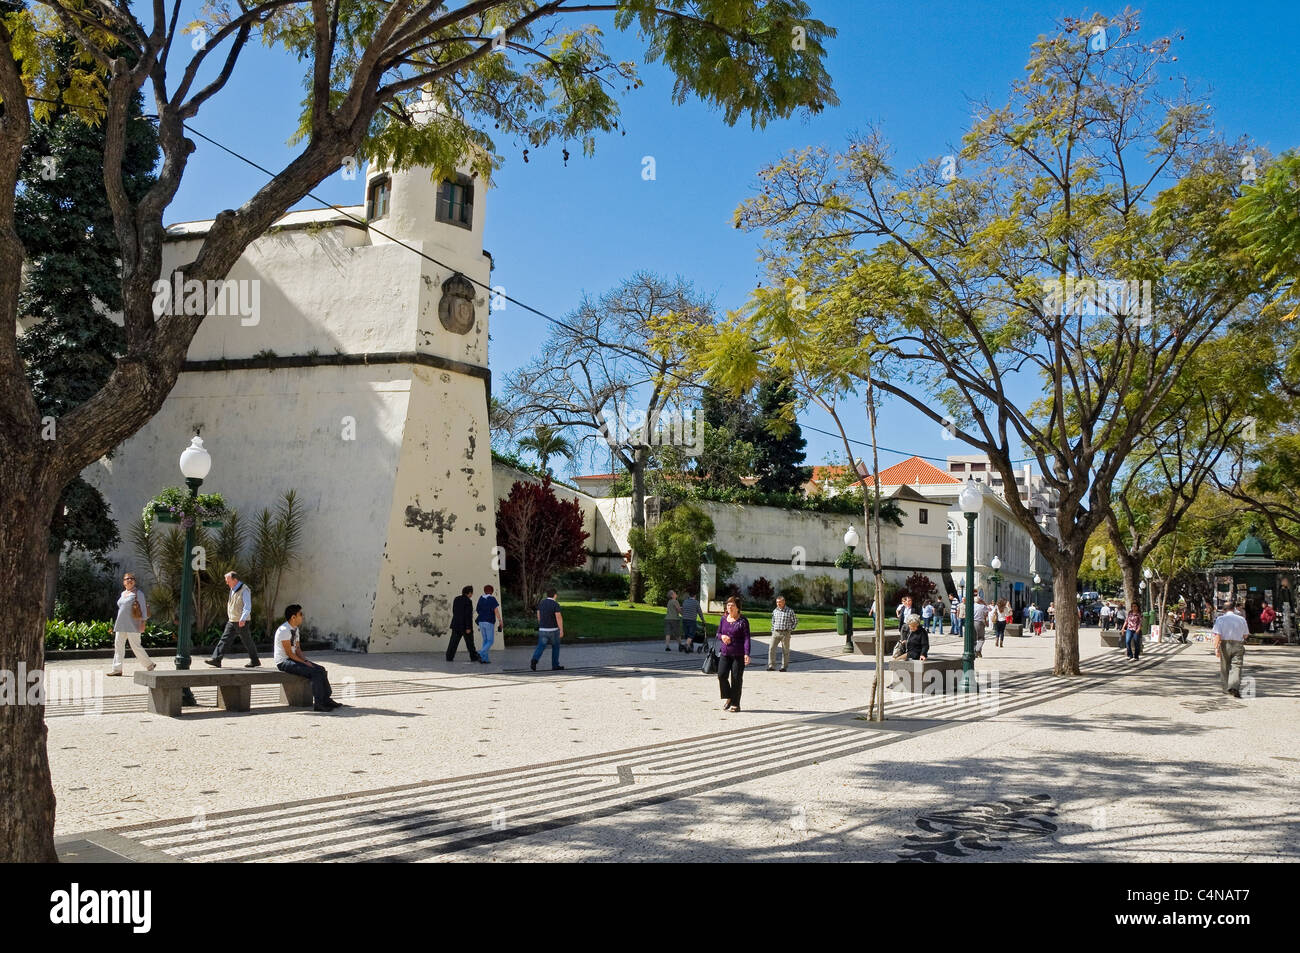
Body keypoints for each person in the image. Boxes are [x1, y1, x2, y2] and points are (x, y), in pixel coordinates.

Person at [274, 604, 341, 712]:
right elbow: (289, 654)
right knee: (314, 673)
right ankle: (319, 703)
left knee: (321, 669)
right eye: (300, 614)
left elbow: (298, 649)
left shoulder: (295, 629)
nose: (302, 616)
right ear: (293, 617)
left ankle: (326, 699)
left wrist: (305, 661)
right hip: (284, 662)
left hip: (293, 659)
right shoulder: (284, 630)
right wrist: (304, 663)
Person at [206, 571, 260, 667]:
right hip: (232, 620)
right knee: (224, 639)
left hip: (241, 621)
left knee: (247, 641)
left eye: (228, 581)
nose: (226, 583)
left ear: (235, 580)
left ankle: (255, 660)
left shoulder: (244, 589)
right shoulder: (232, 589)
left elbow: (247, 606)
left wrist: (243, 619)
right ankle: (216, 659)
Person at [107, 572, 155, 676]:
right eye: (127, 579)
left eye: (132, 578)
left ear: (134, 581)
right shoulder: (123, 594)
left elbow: (143, 609)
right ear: (124, 582)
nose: (129, 580)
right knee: (118, 646)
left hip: (134, 624)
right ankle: (117, 669)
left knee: (135, 646)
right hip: (120, 624)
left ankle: (149, 665)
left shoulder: (138, 593)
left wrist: (143, 623)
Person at [716, 597, 751, 712]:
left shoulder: (743, 621)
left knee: (736, 678)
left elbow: (746, 638)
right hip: (725, 653)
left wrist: (747, 653)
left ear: (738, 608)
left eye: (732, 605)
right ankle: (729, 697)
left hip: (738, 654)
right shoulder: (723, 619)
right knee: (721, 675)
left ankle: (736, 704)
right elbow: (718, 633)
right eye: (728, 605)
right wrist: (722, 637)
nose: (729, 607)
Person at [1212, 601, 1249, 697]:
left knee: (1225, 666)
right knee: (1237, 666)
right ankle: (1234, 686)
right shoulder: (1241, 619)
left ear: (1224, 609)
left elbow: (1217, 635)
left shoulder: (1220, 619)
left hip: (1225, 644)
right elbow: (1245, 635)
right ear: (1234, 608)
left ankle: (1225, 689)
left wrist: (1216, 648)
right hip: (1238, 644)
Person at [532, 588, 564, 671]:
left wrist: (541, 624)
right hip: (553, 630)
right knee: (555, 647)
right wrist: (561, 630)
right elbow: (559, 618)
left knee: (540, 646)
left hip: (543, 629)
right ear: (555, 595)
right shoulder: (555, 604)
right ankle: (555, 665)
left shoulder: (541, 603)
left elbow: (538, 615)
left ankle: (534, 660)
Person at [447, 585, 481, 662]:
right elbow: (468, 615)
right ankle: (474, 657)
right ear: (469, 593)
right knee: (470, 643)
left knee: (453, 642)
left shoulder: (456, 599)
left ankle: (449, 657)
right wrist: (468, 627)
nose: (472, 595)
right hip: (465, 626)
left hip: (456, 624)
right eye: (471, 593)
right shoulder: (468, 601)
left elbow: (454, 611)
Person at [768, 595, 797, 672]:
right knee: (771, 648)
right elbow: (773, 621)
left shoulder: (790, 611)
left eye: (780, 602)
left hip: (785, 633)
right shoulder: (775, 611)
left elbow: (795, 621)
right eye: (777, 602)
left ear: (784, 602)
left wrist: (790, 629)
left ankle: (784, 667)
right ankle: (771, 666)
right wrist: (773, 630)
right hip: (776, 632)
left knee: (785, 650)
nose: (778, 603)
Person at [475, 584, 502, 664]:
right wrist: (500, 621)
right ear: (492, 591)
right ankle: (480, 653)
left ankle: (484, 659)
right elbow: (496, 611)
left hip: (481, 621)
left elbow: (477, 610)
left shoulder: (481, 598)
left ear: (484, 591)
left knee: (485, 640)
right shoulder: (492, 599)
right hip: (489, 622)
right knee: (490, 641)